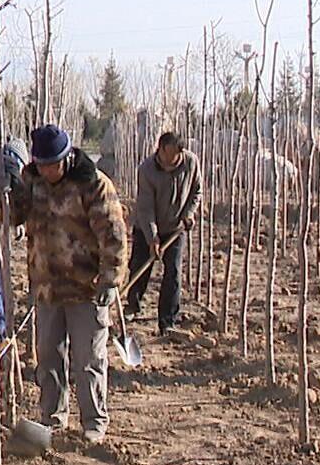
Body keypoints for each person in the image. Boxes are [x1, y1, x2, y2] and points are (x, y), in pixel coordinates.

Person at [12, 124, 127, 444]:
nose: (47, 171)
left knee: (88, 359)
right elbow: (10, 216)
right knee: (48, 357)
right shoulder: (31, 180)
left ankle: (94, 422)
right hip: (46, 286)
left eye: (53, 165)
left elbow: (114, 235)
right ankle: (52, 418)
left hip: (85, 288)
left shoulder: (93, 185)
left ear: (66, 159)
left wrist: (111, 279)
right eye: (42, 165)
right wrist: (2, 192)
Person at [128, 131, 200, 332]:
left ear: (181, 153)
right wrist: (153, 238)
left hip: (176, 228)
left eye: (173, 159)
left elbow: (197, 191)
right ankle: (133, 305)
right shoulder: (146, 170)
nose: (169, 163)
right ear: (158, 149)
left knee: (173, 273)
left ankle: (167, 321)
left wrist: (189, 214)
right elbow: (145, 207)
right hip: (146, 226)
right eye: (165, 157)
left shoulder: (191, 163)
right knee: (139, 268)